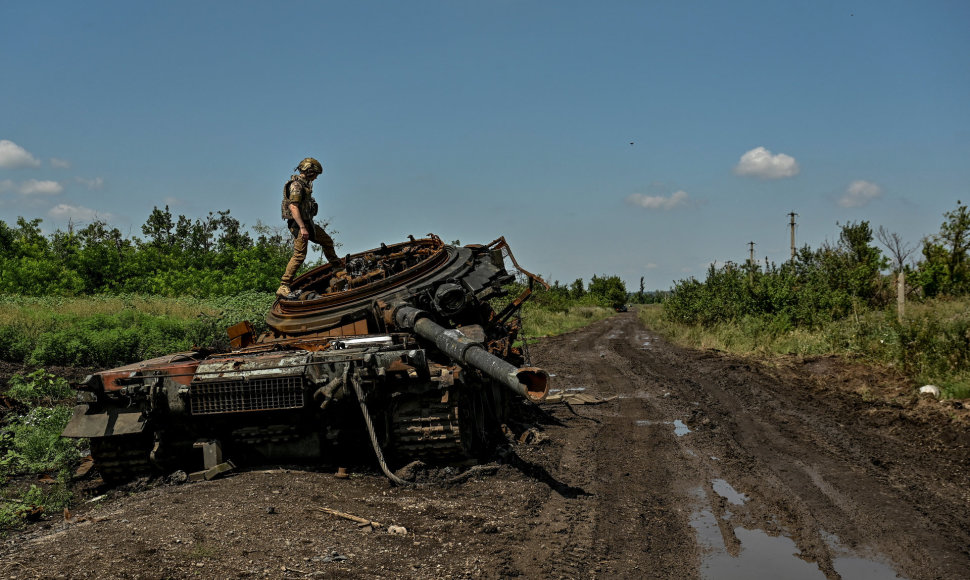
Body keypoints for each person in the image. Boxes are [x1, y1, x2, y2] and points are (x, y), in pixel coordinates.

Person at [277, 157, 341, 298]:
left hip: (308, 223)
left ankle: (337, 267)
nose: (316, 177)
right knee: (299, 255)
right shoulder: (296, 186)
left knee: (326, 241)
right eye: (315, 174)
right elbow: (293, 207)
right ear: (309, 171)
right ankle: (284, 285)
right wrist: (302, 228)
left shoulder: (305, 185)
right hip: (300, 225)